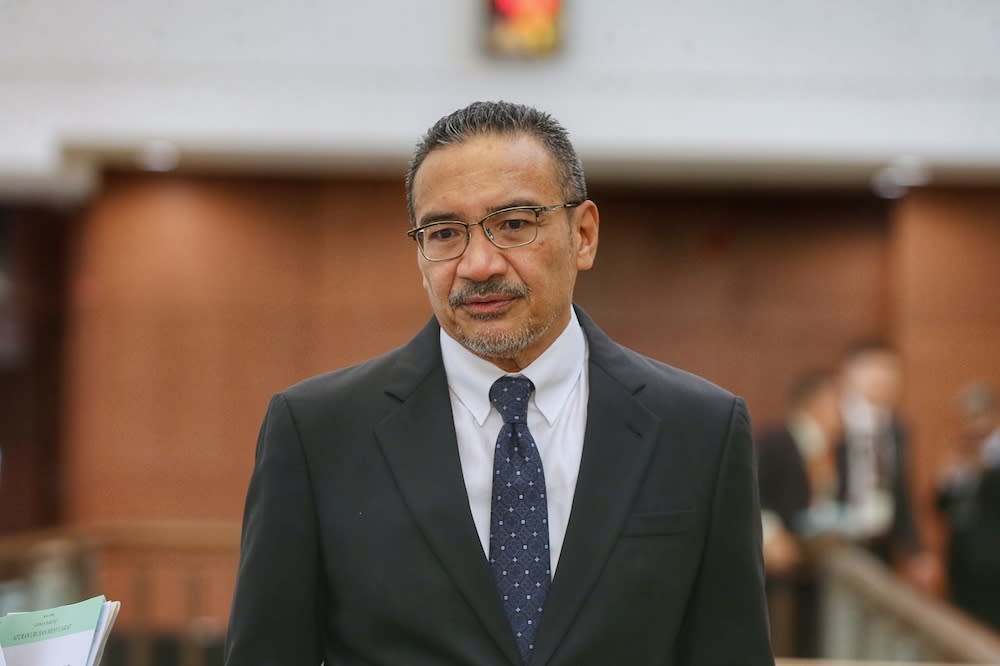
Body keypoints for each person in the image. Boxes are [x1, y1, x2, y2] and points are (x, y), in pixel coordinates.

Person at [224, 101, 773, 665]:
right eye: (443, 233)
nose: (478, 264)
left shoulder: (701, 428)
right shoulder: (317, 431)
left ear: (582, 235)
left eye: (513, 224)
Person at [836, 340, 937, 589]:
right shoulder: (833, 420)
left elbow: (901, 491)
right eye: (874, 370)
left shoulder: (897, 428)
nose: (883, 380)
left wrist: (916, 551)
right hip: (836, 536)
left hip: (880, 540)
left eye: (891, 373)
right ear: (850, 374)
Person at [757, 368, 843, 657]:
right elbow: (753, 493)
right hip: (777, 559)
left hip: (815, 558)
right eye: (836, 402)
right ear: (816, 403)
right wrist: (771, 536)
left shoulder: (836, 448)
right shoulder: (774, 440)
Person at [936, 382, 1000, 628]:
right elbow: (942, 508)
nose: (972, 423)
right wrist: (947, 479)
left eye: (977, 415)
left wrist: (982, 469)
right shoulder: (959, 452)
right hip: (962, 559)